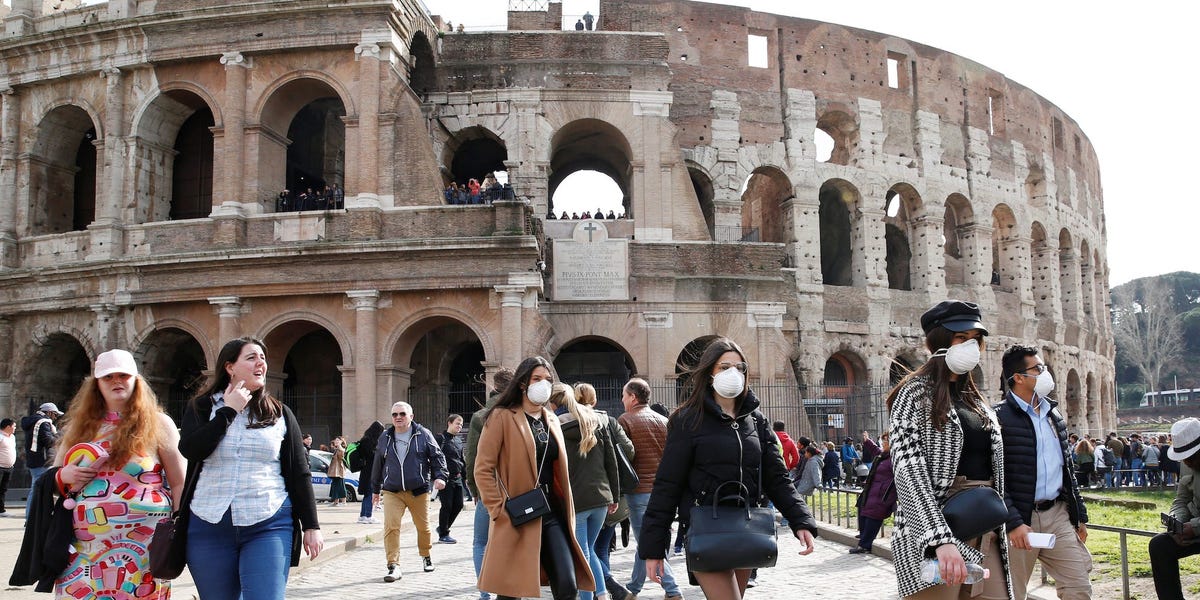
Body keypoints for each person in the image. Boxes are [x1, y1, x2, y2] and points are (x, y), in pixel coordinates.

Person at [640, 337, 817, 599]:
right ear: (709, 372)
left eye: (739, 367)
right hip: (706, 529)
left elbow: (777, 476)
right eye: (724, 367)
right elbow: (667, 485)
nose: (733, 373)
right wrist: (654, 549)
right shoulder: (687, 419)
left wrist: (801, 519)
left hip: (746, 528)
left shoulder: (757, 421)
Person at [887, 300, 1013, 599]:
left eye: (975, 339)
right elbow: (909, 472)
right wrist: (938, 540)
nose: (970, 345)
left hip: (986, 525)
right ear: (939, 341)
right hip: (937, 523)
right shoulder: (914, 393)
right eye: (961, 338)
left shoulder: (976, 400)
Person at [179, 337, 322, 599]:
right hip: (209, 523)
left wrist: (311, 526)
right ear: (229, 367)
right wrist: (229, 411)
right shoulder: (201, 408)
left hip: (268, 522)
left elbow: (298, 472)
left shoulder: (279, 413)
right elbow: (191, 450)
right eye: (252, 357)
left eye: (263, 358)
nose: (261, 363)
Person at [41, 350, 184, 598]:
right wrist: (65, 475)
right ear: (96, 384)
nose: (116, 381)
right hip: (85, 546)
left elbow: (180, 481)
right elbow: (54, 480)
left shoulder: (159, 423)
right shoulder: (81, 427)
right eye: (108, 377)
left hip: (146, 547)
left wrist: (179, 528)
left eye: (123, 375)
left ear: (136, 381)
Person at [473, 356, 595, 600]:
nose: (543, 384)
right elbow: (483, 468)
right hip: (517, 511)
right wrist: (498, 509)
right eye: (536, 379)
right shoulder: (501, 417)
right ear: (522, 383)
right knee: (511, 591)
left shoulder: (550, 418)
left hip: (550, 510)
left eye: (548, 380)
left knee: (567, 584)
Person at [994, 344, 1091, 600]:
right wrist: (1013, 522)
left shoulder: (1053, 414)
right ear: (1018, 377)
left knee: (1079, 585)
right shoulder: (998, 418)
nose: (1044, 373)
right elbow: (995, 477)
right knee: (1012, 593)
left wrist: (1079, 515)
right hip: (1021, 517)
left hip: (1057, 513)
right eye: (1037, 368)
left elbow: (1067, 469)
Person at [550, 383, 618, 600]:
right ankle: (603, 594)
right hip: (601, 496)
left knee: (582, 554)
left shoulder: (555, 428)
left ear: (552, 404)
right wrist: (614, 496)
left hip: (576, 499)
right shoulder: (597, 421)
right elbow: (612, 461)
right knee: (588, 550)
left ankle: (594, 596)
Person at [618, 377, 684, 600]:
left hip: (639, 491)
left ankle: (673, 590)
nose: (622, 399)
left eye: (624, 395)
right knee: (647, 542)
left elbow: (623, 458)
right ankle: (633, 589)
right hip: (664, 491)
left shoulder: (625, 420)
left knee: (648, 543)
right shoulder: (663, 420)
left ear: (633, 397)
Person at [371, 401, 448, 582]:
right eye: (395, 415)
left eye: (402, 414)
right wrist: (375, 489)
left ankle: (426, 555)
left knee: (424, 527)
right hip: (392, 490)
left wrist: (440, 476)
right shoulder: (385, 437)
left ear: (411, 416)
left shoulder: (423, 434)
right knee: (391, 527)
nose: (398, 417)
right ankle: (393, 566)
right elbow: (378, 463)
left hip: (418, 490)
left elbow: (437, 456)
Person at [575, 382, 635, 600]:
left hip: (582, 495)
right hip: (608, 494)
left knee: (587, 550)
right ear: (595, 400)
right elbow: (628, 450)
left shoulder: (568, 424)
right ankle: (607, 588)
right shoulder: (609, 421)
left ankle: (604, 588)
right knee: (599, 549)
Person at [465, 367, 514, 600]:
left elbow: (473, 456)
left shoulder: (481, 416)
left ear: (493, 387)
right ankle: (509, 590)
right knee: (513, 542)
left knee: (481, 543)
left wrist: (473, 488)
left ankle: (485, 594)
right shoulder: (521, 413)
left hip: (489, 487)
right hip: (517, 488)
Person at [1149, 417, 1200, 600]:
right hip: (1193, 528)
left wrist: (1193, 528)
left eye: (1191, 457)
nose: (1187, 462)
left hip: (1196, 528)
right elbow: (1181, 499)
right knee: (1159, 545)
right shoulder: (1186, 463)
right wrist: (1176, 521)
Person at [852, 431, 896, 554]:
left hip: (883, 493)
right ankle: (863, 542)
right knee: (864, 513)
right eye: (883, 441)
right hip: (873, 491)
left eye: (885, 441)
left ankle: (864, 545)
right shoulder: (885, 455)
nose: (883, 443)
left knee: (873, 517)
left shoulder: (896, 457)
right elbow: (876, 451)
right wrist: (867, 441)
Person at [22, 401, 61, 518]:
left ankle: (32, 517)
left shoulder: (34, 422)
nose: (55, 418)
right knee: (37, 490)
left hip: (35, 460)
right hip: (42, 461)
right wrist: (60, 434)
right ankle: (31, 518)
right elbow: (49, 441)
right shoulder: (43, 423)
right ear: (49, 412)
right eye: (55, 415)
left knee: (36, 489)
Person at [437, 413, 466, 544]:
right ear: (449, 423)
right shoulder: (440, 439)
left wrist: (465, 476)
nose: (459, 426)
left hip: (458, 477)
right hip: (445, 478)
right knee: (447, 505)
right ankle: (443, 534)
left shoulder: (459, 441)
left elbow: (461, 459)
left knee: (459, 504)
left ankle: (443, 527)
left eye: (461, 424)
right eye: (457, 424)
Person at [355, 421, 385, 524]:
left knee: (367, 494)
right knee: (370, 493)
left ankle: (363, 515)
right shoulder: (370, 442)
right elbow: (373, 455)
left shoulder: (365, 440)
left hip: (366, 470)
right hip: (371, 470)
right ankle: (368, 515)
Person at [0, 417, 15, 516]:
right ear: (8, 426)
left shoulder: (12, 437)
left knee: (3, 489)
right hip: (0, 467)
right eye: (14, 426)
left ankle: (1, 510)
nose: (15, 428)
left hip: (9, 467)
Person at [328, 436, 347, 505]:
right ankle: (336, 501)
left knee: (340, 486)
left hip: (339, 470)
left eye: (338, 440)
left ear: (341, 442)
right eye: (335, 440)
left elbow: (342, 455)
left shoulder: (341, 449)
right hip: (335, 471)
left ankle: (344, 501)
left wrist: (339, 446)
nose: (336, 442)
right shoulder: (336, 449)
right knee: (335, 486)